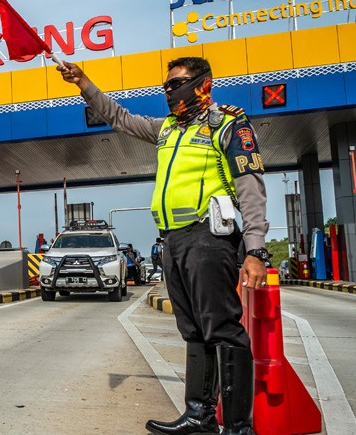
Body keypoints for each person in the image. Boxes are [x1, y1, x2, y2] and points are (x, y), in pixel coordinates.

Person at [59, 57, 269, 435]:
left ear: (203, 83)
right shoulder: (167, 129)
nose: (170, 91)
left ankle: (238, 427)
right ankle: (199, 416)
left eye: (178, 84)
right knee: (192, 329)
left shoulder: (227, 125)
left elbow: (250, 186)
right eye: (167, 85)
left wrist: (255, 249)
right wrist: (83, 82)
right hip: (173, 240)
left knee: (222, 329)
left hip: (210, 237)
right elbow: (119, 117)